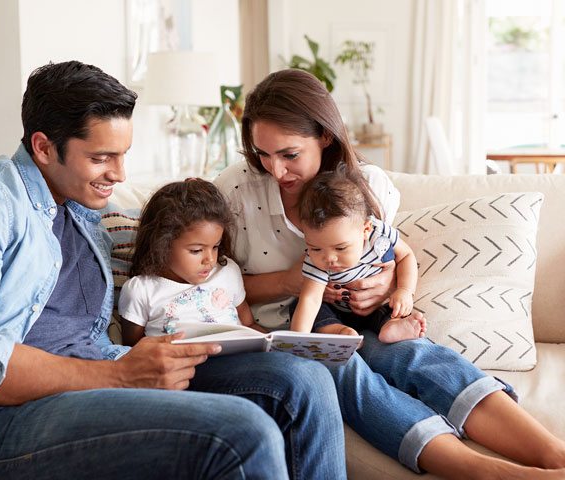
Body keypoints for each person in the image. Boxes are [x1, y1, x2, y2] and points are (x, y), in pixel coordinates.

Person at [0, 61, 346, 480]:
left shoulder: (85, 212)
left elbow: (164, 252)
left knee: (304, 381)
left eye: (123, 156)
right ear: (42, 146)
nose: (118, 174)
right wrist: (119, 378)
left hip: (106, 374)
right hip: (1, 419)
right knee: (242, 433)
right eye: (101, 158)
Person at [214, 68, 565, 479]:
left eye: (289, 154)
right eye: (262, 154)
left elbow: (388, 259)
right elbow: (209, 286)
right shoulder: (234, 190)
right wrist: (291, 282)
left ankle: (554, 455)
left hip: (362, 316)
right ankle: (481, 471)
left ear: (325, 136)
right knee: (341, 368)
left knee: (414, 354)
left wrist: (384, 289)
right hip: (292, 330)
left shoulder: (368, 186)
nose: (276, 170)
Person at [119, 179, 266, 346]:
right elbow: (133, 352)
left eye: (215, 247)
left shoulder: (227, 271)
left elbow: (248, 325)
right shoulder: (140, 290)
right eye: (196, 251)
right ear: (162, 244)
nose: (210, 260)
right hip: (184, 368)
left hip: (239, 360)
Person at [290, 170, 427, 343]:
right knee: (300, 305)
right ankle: (337, 330)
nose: (329, 258)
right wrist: (296, 342)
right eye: (315, 248)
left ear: (365, 230)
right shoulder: (315, 261)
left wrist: (405, 290)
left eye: (340, 248)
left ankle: (391, 327)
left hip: (375, 306)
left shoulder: (379, 236)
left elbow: (406, 255)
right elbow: (311, 299)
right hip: (338, 312)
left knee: (392, 307)